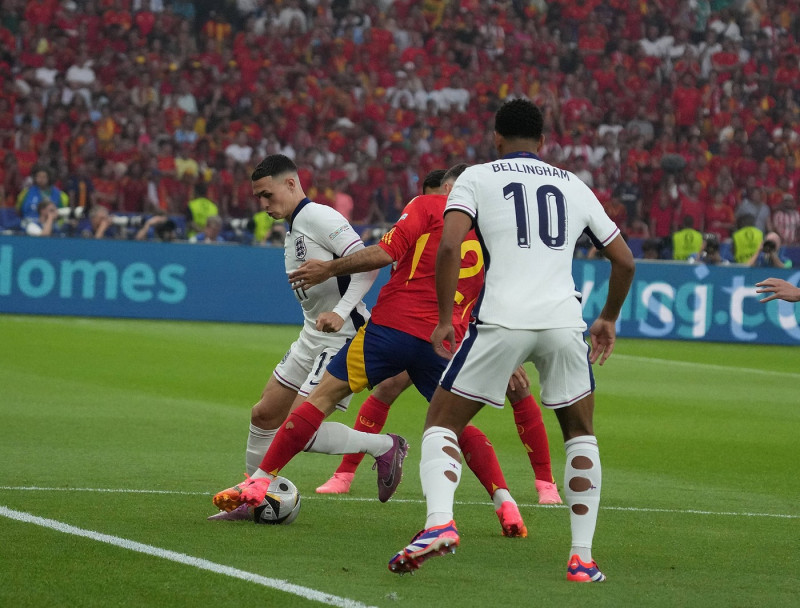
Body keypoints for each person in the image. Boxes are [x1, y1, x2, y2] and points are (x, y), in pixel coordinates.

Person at [387, 99, 635, 582]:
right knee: (580, 434)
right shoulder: (574, 184)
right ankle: (582, 557)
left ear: (496, 137)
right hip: (564, 322)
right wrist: (607, 317)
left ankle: (439, 524)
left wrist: (442, 318)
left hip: (501, 319)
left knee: (441, 421)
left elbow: (451, 245)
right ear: (543, 142)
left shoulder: (478, 177)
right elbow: (624, 262)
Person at [213, 163, 533, 538]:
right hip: (440, 339)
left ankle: (266, 481)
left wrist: (334, 283)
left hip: (387, 329)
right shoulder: (493, 232)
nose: (263, 203)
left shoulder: (428, 206)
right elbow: (500, 293)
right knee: (453, 422)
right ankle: (505, 502)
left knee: (316, 405)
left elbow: (382, 255)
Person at [314, 169, 562, 506]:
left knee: (517, 386)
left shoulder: (487, 231)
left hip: (470, 326)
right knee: (388, 387)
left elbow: (503, 288)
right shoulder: (420, 231)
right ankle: (344, 474)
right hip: (423, 328)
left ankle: (545, 482)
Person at [208, 154, 404, 521]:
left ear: (290, 184)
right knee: (265, 414)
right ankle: (253, 496)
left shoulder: (319, 217)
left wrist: (341, 311)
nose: (264, 205)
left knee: (300, 426)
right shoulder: (295, 227)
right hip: (311, 335)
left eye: (267, 195)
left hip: (343, 337)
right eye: (259, 199)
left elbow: (368, 263)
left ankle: (384, 445)